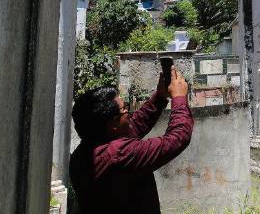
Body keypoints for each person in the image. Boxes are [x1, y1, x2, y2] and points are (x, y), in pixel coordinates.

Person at [70, 67, 194, 213]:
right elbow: (177, 139)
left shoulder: (87, 150)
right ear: (112, 124)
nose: (128, 113)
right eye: (124, 110)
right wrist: (179, 98)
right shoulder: (118, 155)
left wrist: (160, 96)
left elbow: (134, 125)